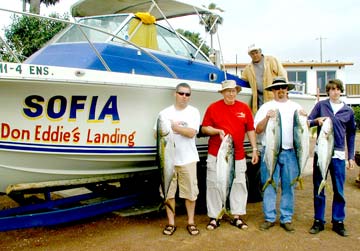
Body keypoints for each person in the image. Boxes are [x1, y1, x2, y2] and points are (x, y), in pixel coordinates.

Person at [201, 79, 259, 230]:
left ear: (236, 92)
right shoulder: (213, 108)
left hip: (237, 155)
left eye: (233, 91)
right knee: (214, 183)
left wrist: (254, 149)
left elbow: (250, 130)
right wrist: (217, 131)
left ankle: (236, 216)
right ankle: (215, 216)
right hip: (216, 154)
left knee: (238, 184)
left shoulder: (244, 108)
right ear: (223, 92)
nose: (231, 93)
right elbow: (205, 128)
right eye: (228, 91)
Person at [254, 77, 305, 232]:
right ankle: (269, 218)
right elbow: (257, 130)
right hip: (269, 152)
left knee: (289, 187)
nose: (280, 90)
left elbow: (304, 129)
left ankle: (286, 218)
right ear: (273, 91)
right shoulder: (266, 107)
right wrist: (267, 117)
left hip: (291, 153)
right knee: (269, 185)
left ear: (287, 89)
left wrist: (306, 117)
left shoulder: (296, 106)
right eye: (277, 88)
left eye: (283, 87)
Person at [308, 79, 356, 237]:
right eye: (332, 89)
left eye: (337, 89)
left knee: (339, 189)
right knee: (318, 187)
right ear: (327, 91)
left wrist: (351, 157)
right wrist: (316, 121)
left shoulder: (348, 111)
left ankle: (338, 221)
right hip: (321, 152)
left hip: (338, 154)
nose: (335, 92)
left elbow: (351, 134)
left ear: (341, 91)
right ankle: (318, 221)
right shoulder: (321, 105)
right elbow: (307, 122)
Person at [155, 82, 201, 236]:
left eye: (187, 94)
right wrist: (166, 132)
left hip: (188, 159)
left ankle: (191, 222)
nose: (184, 96)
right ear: (175, 94)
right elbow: (156, 134)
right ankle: (171, 223)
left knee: (190, 193)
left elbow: (191, 133)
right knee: (168, 194)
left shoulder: (194, 112)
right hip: (168, 162)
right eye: (181, 93)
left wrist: (175, 128)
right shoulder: (164, 114)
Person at [241, 44, 287, 113]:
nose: (255, 55)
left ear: (260, 52)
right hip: (259, 98)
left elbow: (282, 74)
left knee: (276, 115)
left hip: (274, 95)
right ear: (249, 55)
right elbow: (243, 80)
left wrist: (285, 92)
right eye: (252, 54)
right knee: (262, 115)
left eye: (256, 52)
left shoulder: (271, 60)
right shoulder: (248, 68)